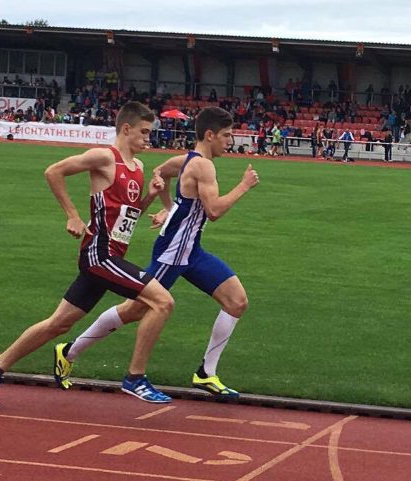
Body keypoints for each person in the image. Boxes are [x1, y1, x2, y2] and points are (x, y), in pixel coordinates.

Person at [0, 102, 174, 411]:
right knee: (163, 302)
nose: (149, 139)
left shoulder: (137, 167)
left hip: (111, 256)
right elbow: (53, 171)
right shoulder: (104, 157)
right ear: (126, 129)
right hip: (99, 255)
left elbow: (129, 215)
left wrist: (150, 196)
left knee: (58, 324)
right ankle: (135, 378)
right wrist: (72, 215)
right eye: (144, 132)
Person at [54, 107, 259, 398]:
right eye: (226, 135)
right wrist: (243, 186)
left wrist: (168, 207)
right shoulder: (202, 165)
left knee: (236, 302)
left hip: (192, 252)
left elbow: (160, 172)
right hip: (172, 253)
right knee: (137, 309)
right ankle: (70, 352)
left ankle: (206, 374)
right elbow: (213, 211)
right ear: (210, 135)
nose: (231, 140)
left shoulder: (186, 160)